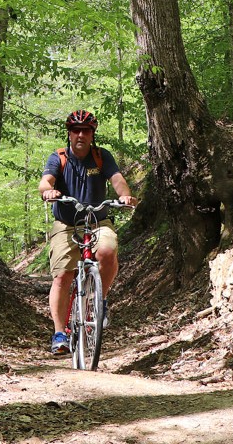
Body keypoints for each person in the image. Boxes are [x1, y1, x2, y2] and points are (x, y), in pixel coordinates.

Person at [38, 109, 138, 355]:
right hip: (66, 223)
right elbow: (46, 181)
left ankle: (99, 302)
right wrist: (48, 191)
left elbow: (117, 179)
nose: (80, 135)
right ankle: (60, 333)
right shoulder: (59, 158)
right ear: (69, 134)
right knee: (63, 275)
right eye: (75, 131)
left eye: (86, 131)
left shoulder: (101, 156)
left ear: (92, 134)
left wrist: (124, 195)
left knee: (107, 251)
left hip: (98, 221)